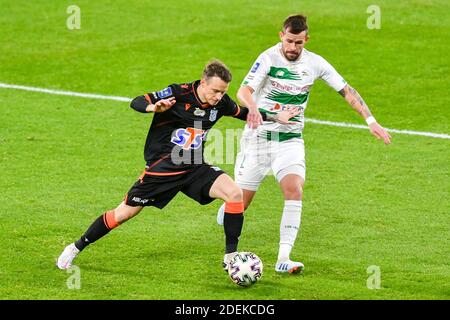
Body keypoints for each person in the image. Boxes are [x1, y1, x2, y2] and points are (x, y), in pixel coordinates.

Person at [56, 59, 298, 271]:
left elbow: (244, 113)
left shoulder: (220, 104)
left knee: (234, 194)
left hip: (193, 166)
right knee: (124, 213)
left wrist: (277, 117)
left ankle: (231, 257)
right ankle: (76, 247)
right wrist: (154, 107)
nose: (219, 97)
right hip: (162, 169)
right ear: (203, 83)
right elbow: (137, 101)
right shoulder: (177, 93)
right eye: (215, 91)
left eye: (223, 92)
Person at [217, 14, 392, 274]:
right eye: (288, 41)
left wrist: (371, 120)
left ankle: (283, 258)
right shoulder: (268, 58)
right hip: (258, 139)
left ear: (306, 40)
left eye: (298, 43)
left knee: (294, 188)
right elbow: (243, 91)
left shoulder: (315, 63)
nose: (292, 48)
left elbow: (346, 90)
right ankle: (225, 214)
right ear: (281, 36)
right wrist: (253, 110)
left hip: (290, 140)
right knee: (239, 204)